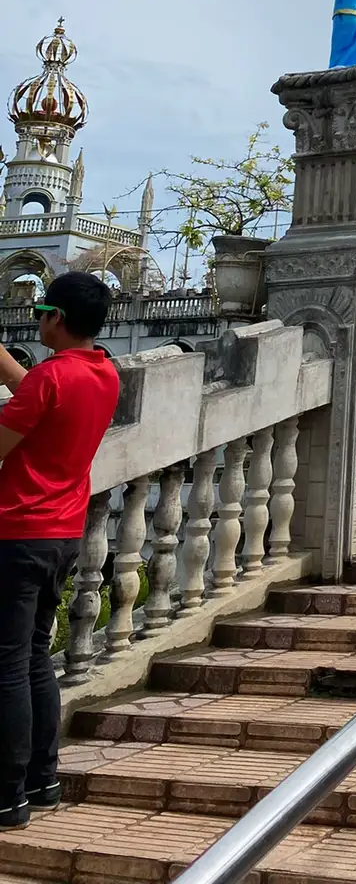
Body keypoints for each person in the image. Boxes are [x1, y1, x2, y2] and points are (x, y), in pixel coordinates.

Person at [0, 272, 119, 830]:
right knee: (34, 657)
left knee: (6, 665)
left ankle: (6, 794)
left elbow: (10, 432)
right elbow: (44, 394)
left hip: (17, 531)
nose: (37, 321)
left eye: (41, 311)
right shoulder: (102, 372)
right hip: (62, 534)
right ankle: (42, 780)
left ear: (57, 318)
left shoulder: (49, 378)